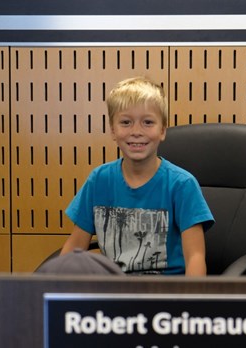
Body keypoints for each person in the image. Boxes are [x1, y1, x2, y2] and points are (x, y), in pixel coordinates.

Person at [60, 76, 214, 276]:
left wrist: (189, 303)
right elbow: (73, 249)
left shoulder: (182, 184)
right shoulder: (99, 180)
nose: (136, 132)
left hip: (165, 298)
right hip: (114, 294)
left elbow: (195, 257)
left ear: (163, 130)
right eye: (126, 122)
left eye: (148, 122)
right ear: (113, 130)